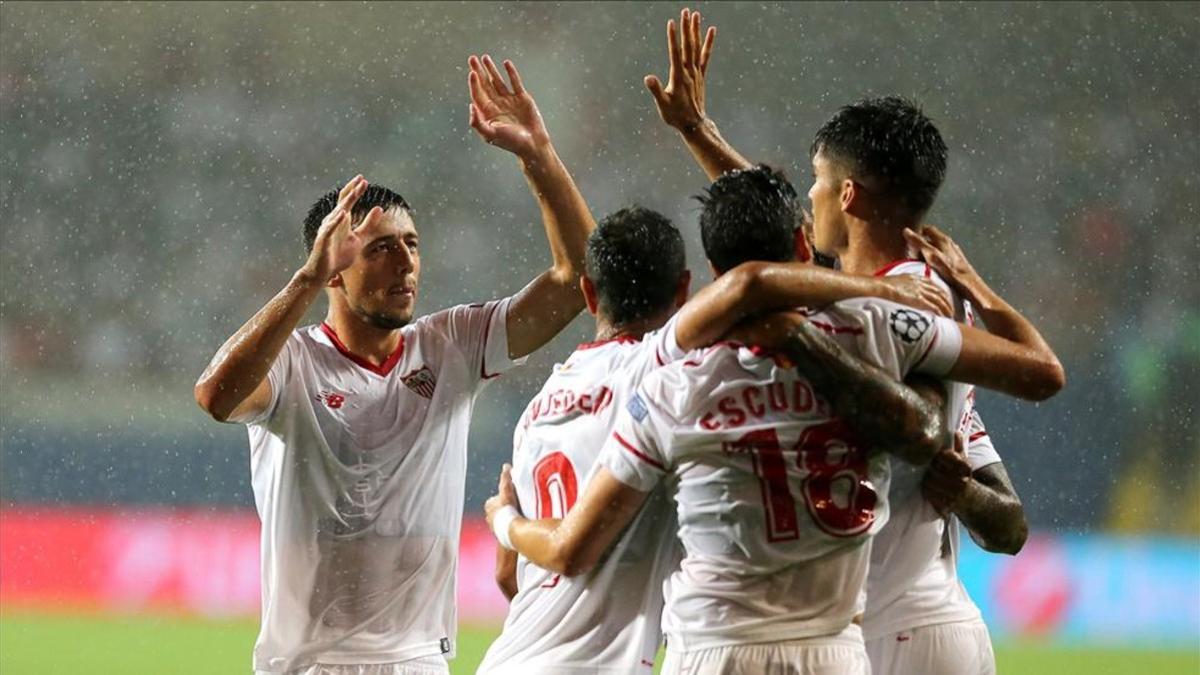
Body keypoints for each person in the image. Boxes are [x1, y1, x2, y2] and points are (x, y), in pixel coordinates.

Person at [485, 167, 1063, 674]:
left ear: (708, 275)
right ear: (803, 244)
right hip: (835, 645)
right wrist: (947, 285)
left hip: (710, 647)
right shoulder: (880, 327)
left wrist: (507, 522)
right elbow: (1038, 374)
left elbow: (565, 551)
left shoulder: (669, 380)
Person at [645, 10, 1033, 673]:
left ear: (847, 194)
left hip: (889, 626)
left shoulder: (908, 300)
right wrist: (696, 130)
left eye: (818, 181)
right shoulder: (889, 294)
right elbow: (778, 230)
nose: (810, 198)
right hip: (918, 619)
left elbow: (920, 424)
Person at [193, 56, 596, 675]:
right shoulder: (295, 362)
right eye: (379, 249)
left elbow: (578, 283)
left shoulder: (451, 344)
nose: (404, 263)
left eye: (411, 245)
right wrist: (305, 278)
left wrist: (537, 153)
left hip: (418, 662)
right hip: (306, 665)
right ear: (334, 268)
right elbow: (216, 396)